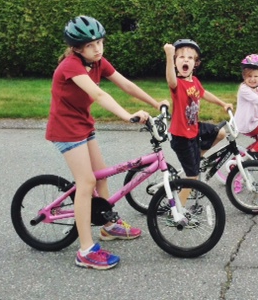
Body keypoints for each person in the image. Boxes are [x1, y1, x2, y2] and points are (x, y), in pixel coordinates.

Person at [46, 15, 168, 270]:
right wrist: (127, 115)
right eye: (91, 45)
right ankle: (86, 251)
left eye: (100, 42)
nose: (98, 49)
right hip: (66, 129)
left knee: (100, 175)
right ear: (77, 48)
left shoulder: (98, 62)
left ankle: (109, 225)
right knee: (87, 181)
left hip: (83, 125)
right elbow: (99, 94)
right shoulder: (71, 66)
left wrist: (155, 103)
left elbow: (125, 84)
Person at [164, 39, 233, 205]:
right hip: (181, 136)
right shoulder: (177, 84)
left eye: (190, 57)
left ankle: (197, 157)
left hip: (194, 128)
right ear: (175, 62)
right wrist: (169, 55)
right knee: (192, 177)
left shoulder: (194, 81)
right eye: (180, 57)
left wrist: (223, 103)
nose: (185, 60)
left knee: (221, 132)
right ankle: (179, 210)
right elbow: (171, 80)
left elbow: (204, 93)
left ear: (195, 63)